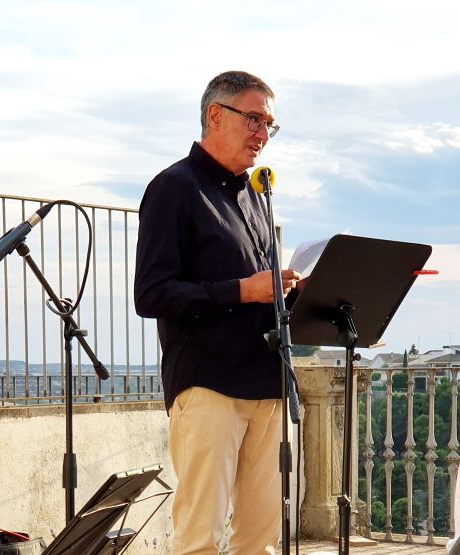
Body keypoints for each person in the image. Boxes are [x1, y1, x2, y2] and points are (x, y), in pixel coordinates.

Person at [134, 70, 300, 555]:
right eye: (253, 119)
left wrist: (290, 293)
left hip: (267, 385)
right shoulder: (173, 188)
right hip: (208, 386)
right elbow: (152, 294)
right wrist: (242, 291)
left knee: (260, 540)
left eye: (269, 125)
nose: (262, 133)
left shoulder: (256, 196)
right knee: (200, 539)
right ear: (215, 115)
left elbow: (259, 290)